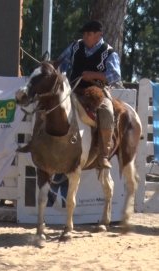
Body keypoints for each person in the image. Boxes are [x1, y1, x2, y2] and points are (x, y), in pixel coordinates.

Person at [57, 20, 122, 169]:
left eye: (89, 34)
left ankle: (104, 154)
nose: (85, 37)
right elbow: (62, 62)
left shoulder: (109, 52)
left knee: (107, 112)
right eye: (84, 34)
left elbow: (115, 76)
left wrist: (94, 75)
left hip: (97, 92)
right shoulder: (75, 46)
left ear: (99, 35)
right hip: (73, 89)